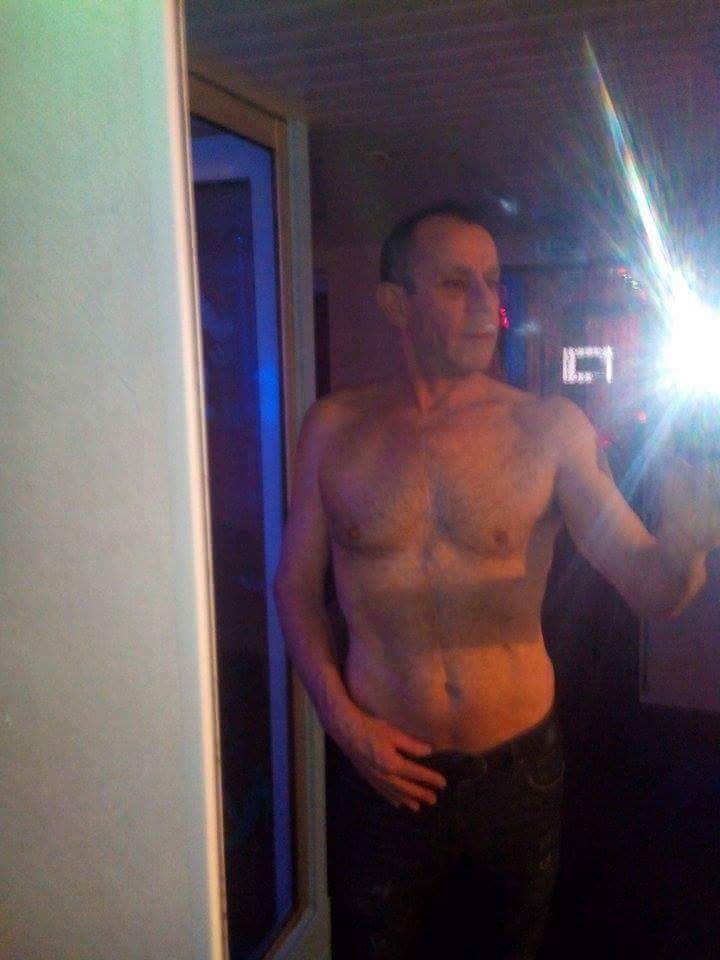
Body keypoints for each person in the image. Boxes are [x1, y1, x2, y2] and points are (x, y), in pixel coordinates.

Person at [273, 203, 720, 959]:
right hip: (384, 770)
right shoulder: (334, 430)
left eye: (492, 281)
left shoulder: (550, 428)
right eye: (456, 284)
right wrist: (343, 725)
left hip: (520, 771)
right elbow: (294, 588)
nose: (487, 304)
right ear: (395, 303)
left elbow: (654, 590)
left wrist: (686, 543)